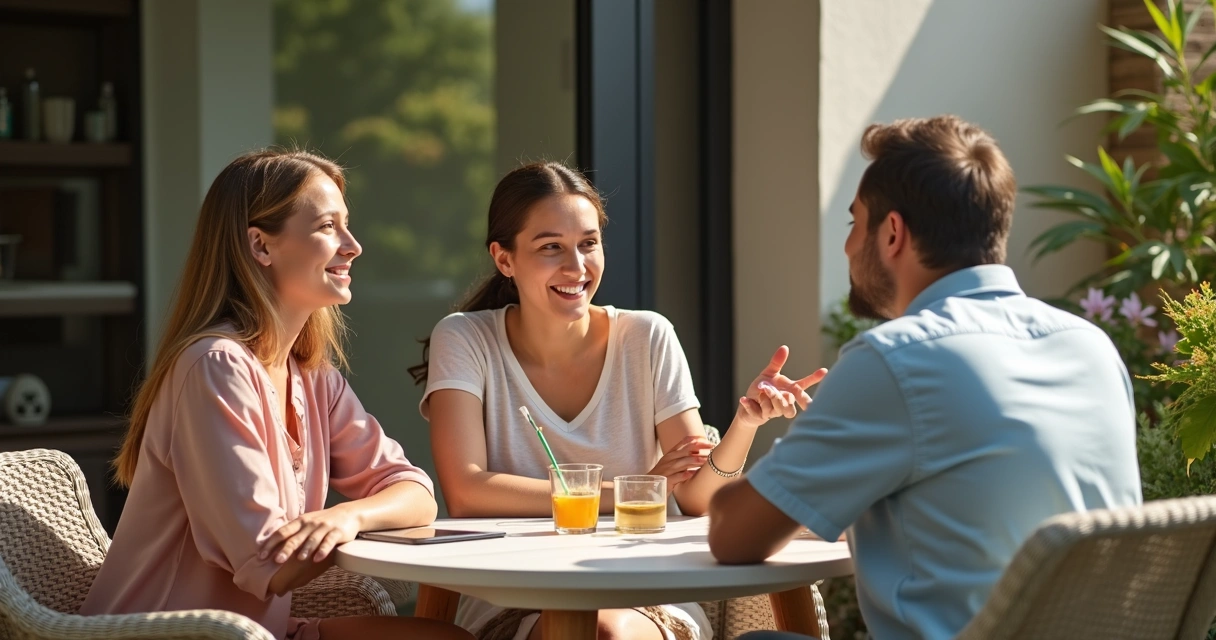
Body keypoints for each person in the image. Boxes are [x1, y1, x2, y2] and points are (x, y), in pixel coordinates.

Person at [707, 115, 1144, 640]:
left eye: (853, 225)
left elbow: (732, 537)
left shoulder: (897, 359)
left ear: (892, 233)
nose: (848, 248)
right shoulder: (1091, 346)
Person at [412, 161, 825, 640]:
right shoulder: (465, 339)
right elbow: (466, 492)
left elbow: (694, 498)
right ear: (504, 259)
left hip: (646, 592)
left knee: (609, 631)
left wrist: (745, 425)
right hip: (517, 596)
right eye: (551, 248)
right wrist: (636, 491)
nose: (577, 267)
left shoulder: (647, 336)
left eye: (589, 243)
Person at [81, 150, 473, 640]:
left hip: (259, 630)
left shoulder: (314, 378)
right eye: (328, 227)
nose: (352, 246)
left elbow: (415, 493)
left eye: (346, 226)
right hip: (172, 634)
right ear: (260, 246)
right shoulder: (215, 367)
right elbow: (268, 561)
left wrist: (347, 516)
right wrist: (342, 525)